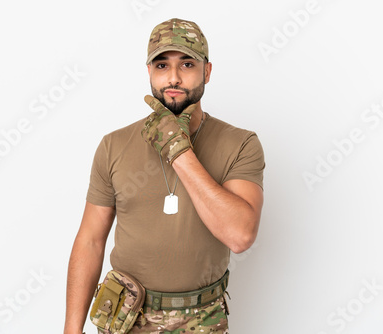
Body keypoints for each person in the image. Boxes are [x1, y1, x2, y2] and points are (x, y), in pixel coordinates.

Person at [64, 18, 265, 334]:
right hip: (126, 319)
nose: (173, 77)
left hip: (203, 321)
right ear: (149, 73)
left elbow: (239, 235)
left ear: (207, 71)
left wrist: (178, 150)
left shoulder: (240, 143)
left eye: (187, 64)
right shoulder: (113, 145)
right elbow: (90, 241)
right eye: (161, 65)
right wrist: (71, 330)